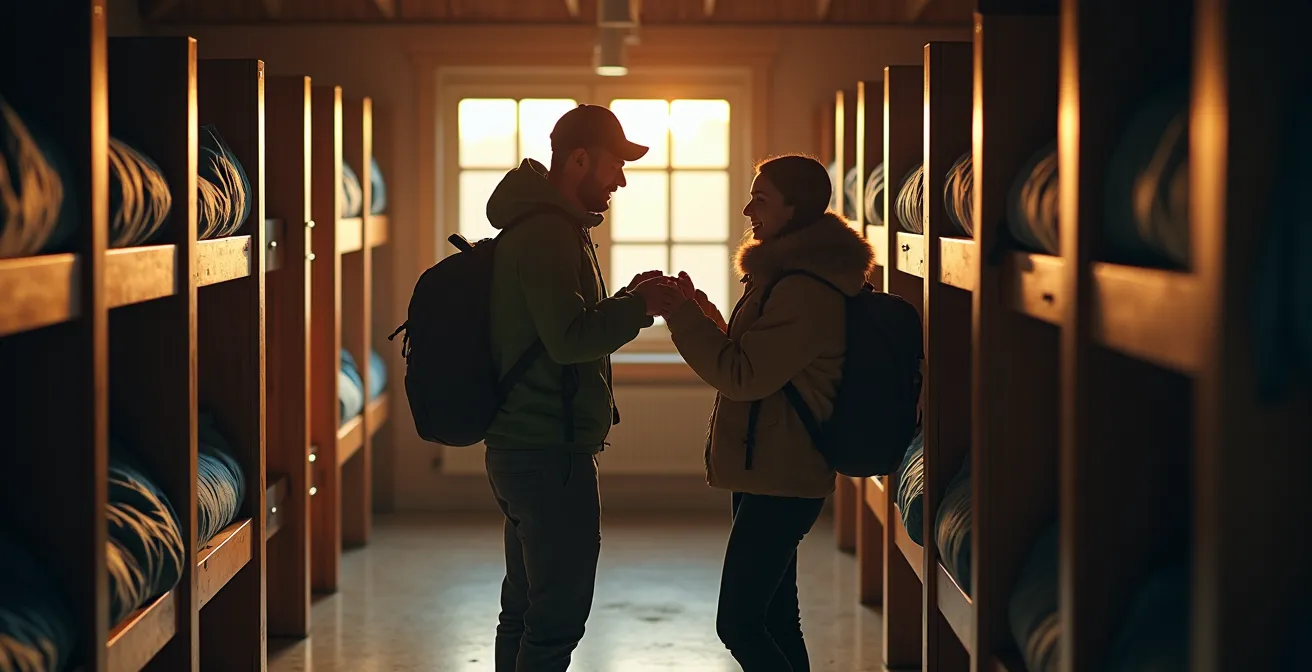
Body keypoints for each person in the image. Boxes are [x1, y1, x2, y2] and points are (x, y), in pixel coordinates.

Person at [482, 104, 684, 671]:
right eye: (614, 164)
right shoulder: (548, 232)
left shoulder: (551, 226)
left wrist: (628, 300)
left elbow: (560, 326)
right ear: (577, 159)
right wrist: (639, 308)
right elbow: (570, 341)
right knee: (556, 618)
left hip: (528, 447)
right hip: (548, 454)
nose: (620, 178)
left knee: (524, 610)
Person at [662, 154, 876, 671]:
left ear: (793, 208)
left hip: (784, 475)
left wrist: (680, 317)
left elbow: (742, 376)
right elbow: (754, 355)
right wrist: (703, 314)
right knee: (778, 621)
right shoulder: (787, 278)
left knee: (737, 623)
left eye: (761, 198)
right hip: (769, 468)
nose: (747, 207)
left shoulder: (804, 289)